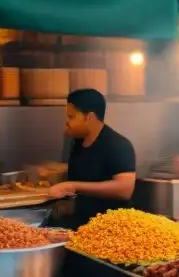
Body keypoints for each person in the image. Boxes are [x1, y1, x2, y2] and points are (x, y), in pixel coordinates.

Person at [48, 88, 136, 228]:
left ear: (89, 117)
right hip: (82, 227)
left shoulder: (118, 145)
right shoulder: (76, 142)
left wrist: (73, 186)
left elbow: (124, 189)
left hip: (112, 230)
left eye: (71, 117)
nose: (66, 122)